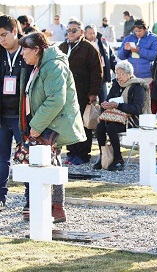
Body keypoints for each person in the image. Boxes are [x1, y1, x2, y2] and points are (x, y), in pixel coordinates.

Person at [19, 32, 86, 222]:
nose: (22, 53)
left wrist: (36, 125)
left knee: (52, 164)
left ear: (37, 50)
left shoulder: (53, 65)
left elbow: (56, 100)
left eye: (25, 49)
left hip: (53, 125)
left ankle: (57, 208)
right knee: (47, 163)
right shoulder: (41, 64)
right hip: (46, 123)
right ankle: (47, 206)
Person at [58, 20, 103, 165]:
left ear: (81, 32)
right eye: (68, 30)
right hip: (66, 92)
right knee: (68, 123)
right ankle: (71, 152)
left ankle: (83, 154)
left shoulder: (89, 48)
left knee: (83, 123)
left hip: (83, 92)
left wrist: (93, 93)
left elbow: (97, 72)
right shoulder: (62, 47)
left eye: (74, 30)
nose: (70, 33)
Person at [94, 60, 149, 171]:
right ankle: (104, 155)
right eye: (117, 73)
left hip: (131, 119)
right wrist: (105, 104)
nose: (118, 77)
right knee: (100, 127)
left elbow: (137, 108)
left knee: (112, 127)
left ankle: (118, 158)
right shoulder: (116, 84)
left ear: (129, 74)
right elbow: (109, 99)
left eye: (121, 74)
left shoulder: (137, 86)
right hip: (114, 117)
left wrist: (119, 106)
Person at [0, 15, 31, 211]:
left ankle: (30, 197)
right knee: (2, 158)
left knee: (27, 158)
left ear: (14, 32)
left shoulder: (28, 52)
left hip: (23, 117)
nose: (1, 40)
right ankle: (1, 196)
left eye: (4, 35)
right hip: (3, 115)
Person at [84, 24, 117, 103]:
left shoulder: (103, 42)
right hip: (87, 78)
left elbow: (111, 57)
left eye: (94, 33)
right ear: (85, 34)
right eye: (90, 33)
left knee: (104, 101)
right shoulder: (82, 45)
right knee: (88, 103)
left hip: (102, 76)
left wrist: (117, 70)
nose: (92, 35)